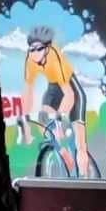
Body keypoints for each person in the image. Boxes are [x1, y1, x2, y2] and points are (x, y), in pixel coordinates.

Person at [19, 25, 91, 177]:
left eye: (39, 49)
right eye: (31, 49)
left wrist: (60, 114)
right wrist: (24, 119)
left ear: (47, 47)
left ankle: (85, 176)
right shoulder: (30, 60)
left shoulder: (55, 59)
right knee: (43, 119)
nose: (34, 53)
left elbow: (69, 95)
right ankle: (64, 153)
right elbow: (28, 91)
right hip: (54, 88)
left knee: (80, 146)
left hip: (71, 88)